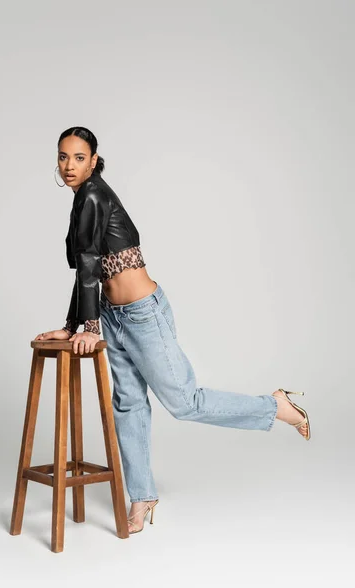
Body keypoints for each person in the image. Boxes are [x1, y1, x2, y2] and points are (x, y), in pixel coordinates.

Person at [35, 126, 311, 535]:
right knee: (128, 405)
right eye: (63, 157)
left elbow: (91, 263)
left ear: (94, 160)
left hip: (142, 315)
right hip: (113, 316)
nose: (70, 165)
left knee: (184, 402)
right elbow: (85, 272)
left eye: (79, 157)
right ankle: (142, 496)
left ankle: (276, 407)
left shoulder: (93, 193)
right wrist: (73, 326)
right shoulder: (81, 201)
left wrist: (88, 327)